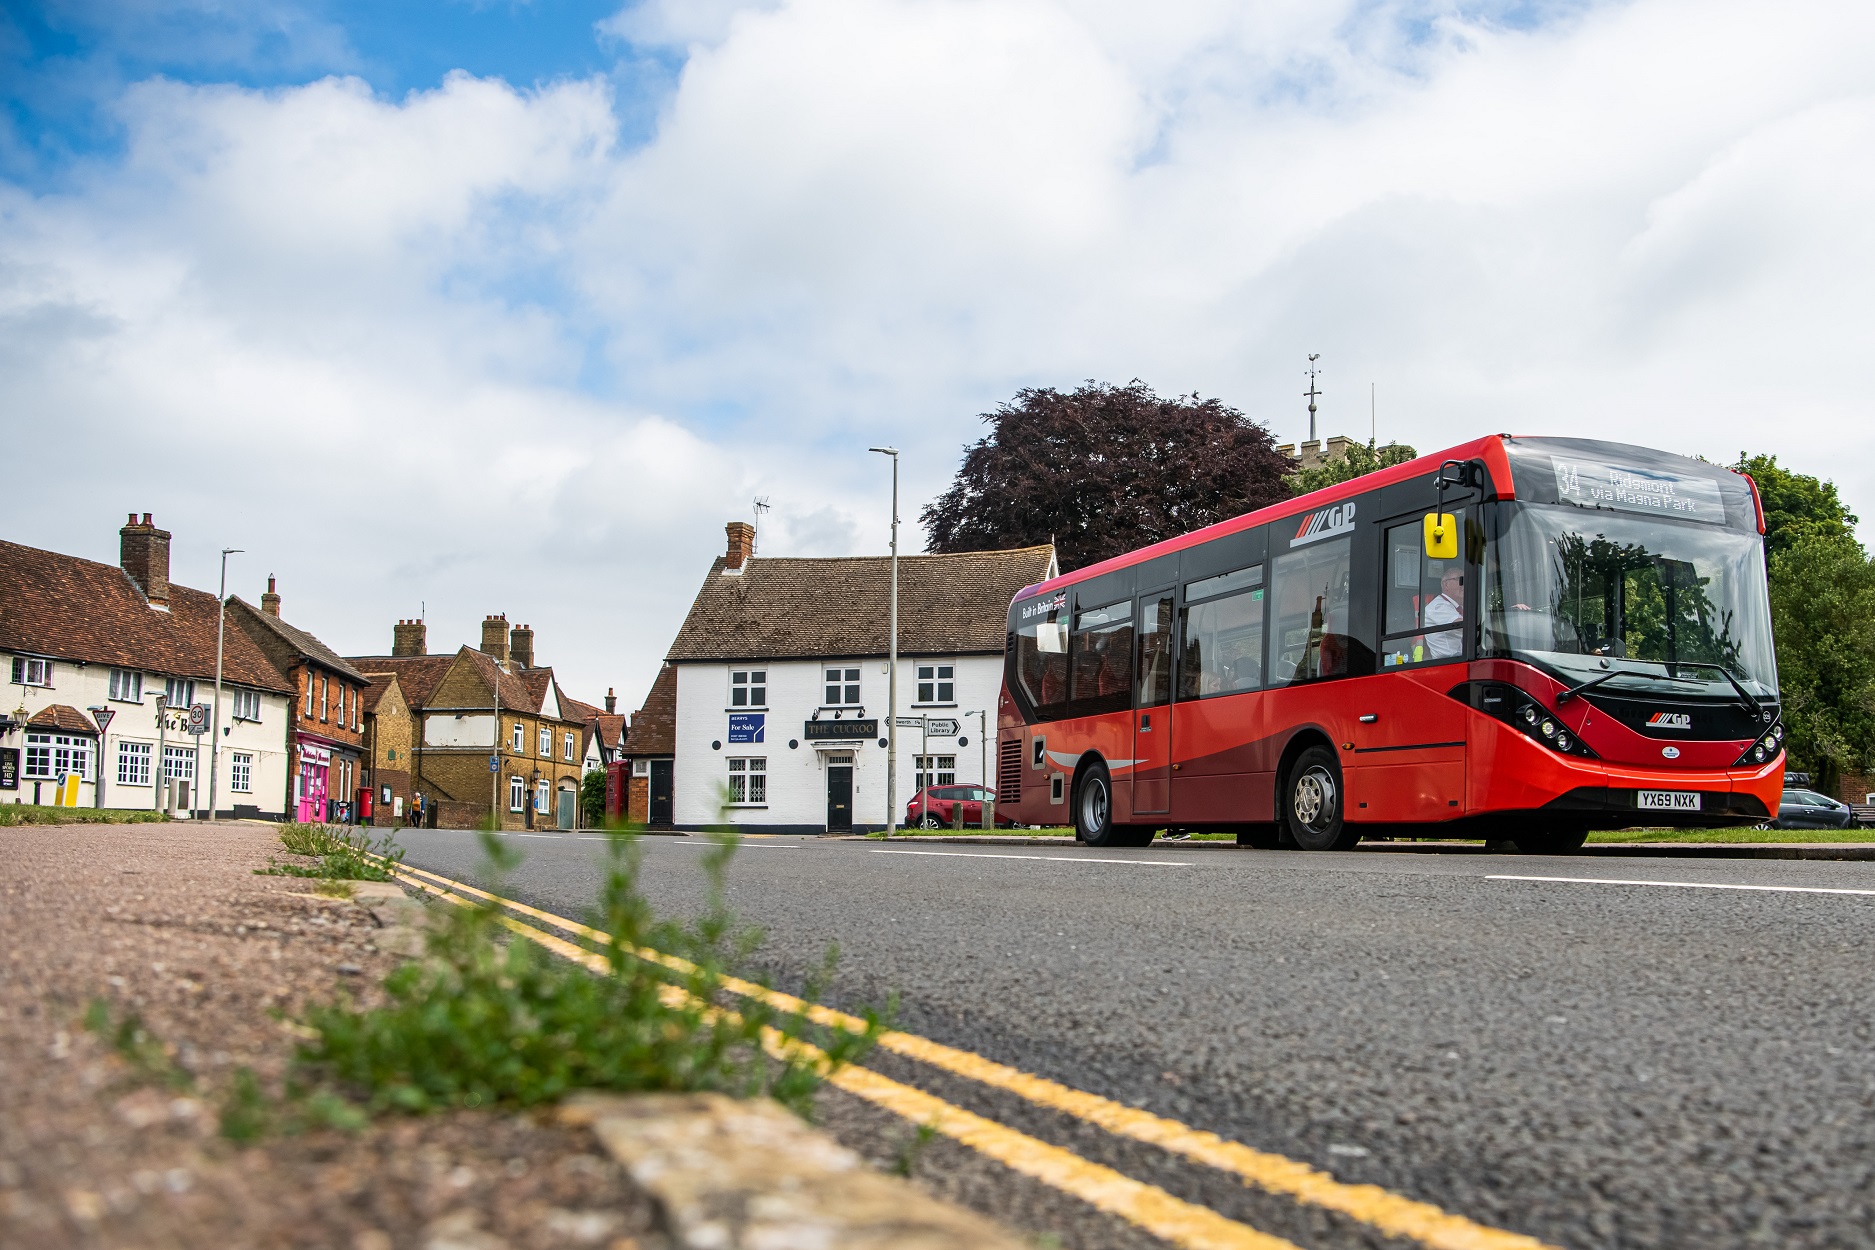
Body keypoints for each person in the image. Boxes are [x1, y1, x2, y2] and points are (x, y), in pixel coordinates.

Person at [1424, 567, 1465, 658]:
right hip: (1446, 663)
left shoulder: (1459, 607)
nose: (1464, 585)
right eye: (1461, 580)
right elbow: (1460, 625)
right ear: (1446, 584)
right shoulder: (1437, 606)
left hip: (1461, 659)